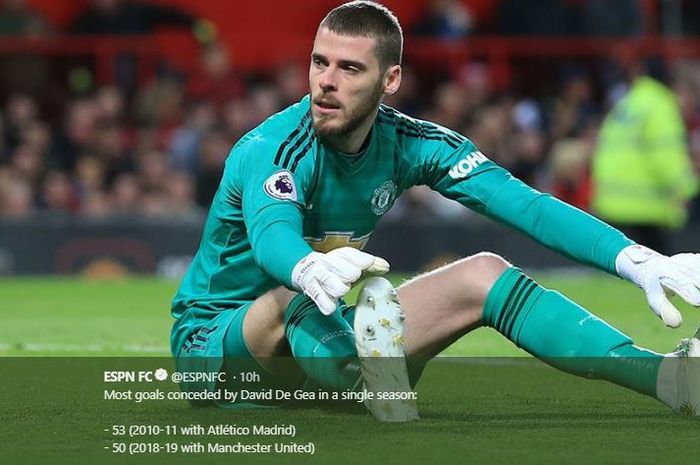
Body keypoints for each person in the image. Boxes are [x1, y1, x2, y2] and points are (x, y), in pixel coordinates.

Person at [171, 1, 700, 421]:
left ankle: (665, 378)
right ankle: (363, 379)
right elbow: (272, 237)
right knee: (294, 294)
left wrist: (635, 259)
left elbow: (525, 205)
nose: (326, 82)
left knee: (484, 274)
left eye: (349, 68)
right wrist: (305, 266)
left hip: (320, 338)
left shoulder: (411, 144)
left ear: (391, 80)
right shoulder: (275, 147)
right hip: (217, 347)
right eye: (319, 62)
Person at [592, 57, 699, 254]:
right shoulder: (660, 105)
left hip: (611, 199)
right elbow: (666, 156)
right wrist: (690, 191)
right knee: (662, 271)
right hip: (644, 203)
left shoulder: (628, 102)